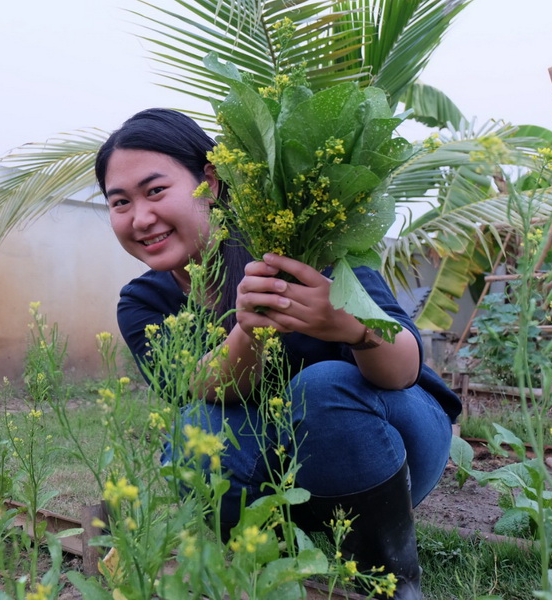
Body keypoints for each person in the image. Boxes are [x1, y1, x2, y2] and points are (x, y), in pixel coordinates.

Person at [95, 108, 461, 599]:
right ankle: (271, 571)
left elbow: (404, 369)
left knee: (322, 387)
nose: (141, 217)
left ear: (210, 181)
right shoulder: (144, 301)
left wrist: (347, 324)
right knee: (191, 434)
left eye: (156, 191)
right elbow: (199, 388)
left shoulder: (298, 244)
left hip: (393, 443)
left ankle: (391, 584)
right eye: (120, 202)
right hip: (276, 468)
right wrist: (250, 327)